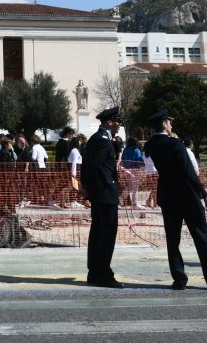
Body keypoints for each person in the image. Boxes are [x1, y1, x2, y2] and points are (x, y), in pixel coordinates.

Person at [143, 109, 207, 291]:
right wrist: (203, 194)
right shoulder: (175, 143)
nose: (171, 124)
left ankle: (179, 279)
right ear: (164, 124)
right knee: (201, 236)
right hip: (187, 195)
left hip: (167, 195)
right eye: (169, 122)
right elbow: (188, 172)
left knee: (173, 240)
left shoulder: (150, 146)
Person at [81, 106, 123, 287]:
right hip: (105, 194)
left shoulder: (96, 138)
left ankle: (95, 272)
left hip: (99, 193)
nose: (120, 124)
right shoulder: (103, 141)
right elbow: (97, 167)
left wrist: (87, 187)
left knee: (97, 232)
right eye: (117, 120)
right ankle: (103, 273)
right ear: (109, 122)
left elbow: (87, 166)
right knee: (107, 234)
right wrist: (110, 185)